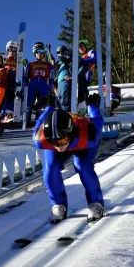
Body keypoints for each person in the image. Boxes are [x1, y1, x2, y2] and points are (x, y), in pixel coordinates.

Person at [33, 91, 105, 223]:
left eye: (62, 140)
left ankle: (96, 203)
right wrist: (49, 107)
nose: (59, 146)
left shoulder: (89, 135)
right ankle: (58, 204)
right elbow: (40, 121)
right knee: (50, 169)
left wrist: (92, 107)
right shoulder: (40, 139)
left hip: (83, 145)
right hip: (75, 140)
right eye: (53, 141)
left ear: (71, 134)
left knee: (83, 166)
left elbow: (97, 121)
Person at [22, 42, 54, 127]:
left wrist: (52, 91)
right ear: (34, 53)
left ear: (44, 53)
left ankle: (40, 124)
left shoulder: (49, 65)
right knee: (29, 105)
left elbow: (51, 79)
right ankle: (26, 123)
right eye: (37, 52)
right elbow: (25, 78)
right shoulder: (30, 64)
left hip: (43, 85)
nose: (39, 54)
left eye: (41, 52)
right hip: (32, 85)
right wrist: (23, 89)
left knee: (43, 105)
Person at [77, 39, 97, 110]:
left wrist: (82, 60)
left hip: (86, 75)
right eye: (79, 47)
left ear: (86, 46)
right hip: (79, 78)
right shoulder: (79, 57)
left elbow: (95, 59)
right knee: (80, 93)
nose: (80, 48)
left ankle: (84, 107)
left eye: (82, 46)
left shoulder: (90, 52)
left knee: (83, 92)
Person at [54, 45, 73, 111]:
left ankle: (66, 114)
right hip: (59, 84)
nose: (60, 54)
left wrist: (71, 77)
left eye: (61, 52)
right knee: (59, 104)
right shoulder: (60, 64)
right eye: (58, 52)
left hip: (65, 82)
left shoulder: (69, 60)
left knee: (65, 104)